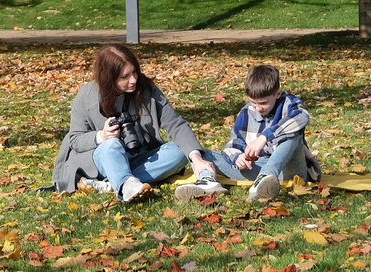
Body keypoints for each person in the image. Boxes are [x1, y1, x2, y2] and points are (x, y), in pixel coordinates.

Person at [52, 44, 220, 202]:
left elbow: (175, 123)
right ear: (108, 78)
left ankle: (116, 184)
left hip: (139, 156)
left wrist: (196, 158)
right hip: (103, 159)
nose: (133, 80)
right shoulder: (86, 96)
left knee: (179, 151)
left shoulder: (146, 89)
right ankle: (125, 183)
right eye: (124, 77)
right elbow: (75, 140)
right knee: (112, 145)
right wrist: (101, 136)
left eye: (134, 72)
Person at [177, 63, 321, 203]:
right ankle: (208, 181)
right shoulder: (246, 111)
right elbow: (232, 145)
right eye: (253, 102)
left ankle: (267, 176)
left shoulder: (290, 103)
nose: (258, 108)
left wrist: (265, 137)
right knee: (200, 154)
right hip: (256, 167)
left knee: (293, 136)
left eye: (263, 103)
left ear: (277, 94)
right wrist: (237, 156)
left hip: (290, 169)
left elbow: (301, 118)